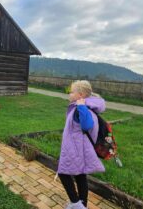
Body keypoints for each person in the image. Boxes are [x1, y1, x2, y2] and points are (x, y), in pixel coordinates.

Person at [57, 80, 106, 209]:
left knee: (63, 173)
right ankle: (82, 205)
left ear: (81, 95)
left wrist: (81, 107)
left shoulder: (81, 108)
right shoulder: (85, 107)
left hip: (74, 149)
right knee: (80, 174)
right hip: (79, 148)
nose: (69, 94)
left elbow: (87, 125)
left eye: (72, 92)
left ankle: (76, 204)